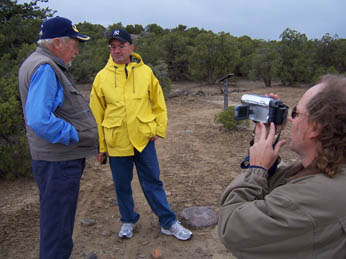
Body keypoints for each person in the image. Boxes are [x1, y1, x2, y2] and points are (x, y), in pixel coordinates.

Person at [218, 74, 346, 259]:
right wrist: (270, 137)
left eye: (295, 113)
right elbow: (283, 184)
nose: (291, 119)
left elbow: (231, 229)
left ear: (315, 128)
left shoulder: (305, 200)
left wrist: (256, 170)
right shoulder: (329, 169)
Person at [89, 28, 192, 240]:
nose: (116, 50)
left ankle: (168, 222)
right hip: (117, 141)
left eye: (121, 46)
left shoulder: (146, 72)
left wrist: (156, 129)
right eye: (113, 47)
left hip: (144, 140)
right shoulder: (101, 77)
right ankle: (128, 220)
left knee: (153, 182)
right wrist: (101, 147)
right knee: (121, 185)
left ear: (131, 47)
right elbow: (96, 116)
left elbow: (159, 103)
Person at [18, 17, 98, 259]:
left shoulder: (37, 63)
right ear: (57, 43)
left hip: (54, 162)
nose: (76, 50)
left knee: (57, 223)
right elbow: (39, 119)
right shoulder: (45, 67)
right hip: (58, 163)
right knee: (57, 228)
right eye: (74, 44)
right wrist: (73, 135)